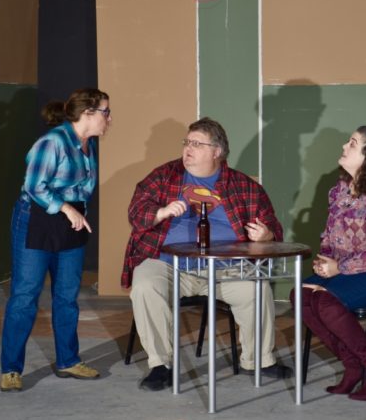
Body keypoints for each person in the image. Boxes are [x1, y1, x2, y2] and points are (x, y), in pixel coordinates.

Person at [121, 117, 292, 391]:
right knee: (145, 285)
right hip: (169, 264)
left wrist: (266, 235)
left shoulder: (244, 186)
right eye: (186, 142)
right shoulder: (164, 176)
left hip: (225, 268)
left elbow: (273, 228)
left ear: (217, 152)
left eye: (197, 144)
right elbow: (137, 213)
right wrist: (161, 213)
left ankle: (259, 360)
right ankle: (160, 365)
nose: (188, 149)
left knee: (256, 288)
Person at [291, 126, 366, 401]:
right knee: (300, 295)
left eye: (353, 143)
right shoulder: (339, 190)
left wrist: (340, 269)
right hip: (349, 269)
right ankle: (353, 367)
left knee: (325, 302)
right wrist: (326, 261)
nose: (344, 146)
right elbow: (330, 236)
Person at [0, 88, 111, 392]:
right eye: (105, 112)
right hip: (37, 220)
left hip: (70, 223)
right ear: (88, 113)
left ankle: (68, 361)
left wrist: (73, 212)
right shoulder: (52, 143)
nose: (109, 118)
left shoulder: (88, 144)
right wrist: (65, 208)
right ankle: (11, 369)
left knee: (66, 296)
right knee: (25, 296)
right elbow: (34, 186)